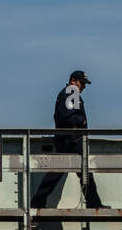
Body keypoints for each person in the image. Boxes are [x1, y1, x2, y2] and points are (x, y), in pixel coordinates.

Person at [30, 70, 106, 209]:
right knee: (74, 171)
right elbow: (66, 116)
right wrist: (81, 121)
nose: (84, 86)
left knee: (72, 172)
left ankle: (38, 201)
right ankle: (93, 203)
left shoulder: (71, 93)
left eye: (85, 83)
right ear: (73, 81)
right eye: (82, 83)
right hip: (70, 139)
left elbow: (65, 114)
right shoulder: (71, 91)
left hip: (69, 138)